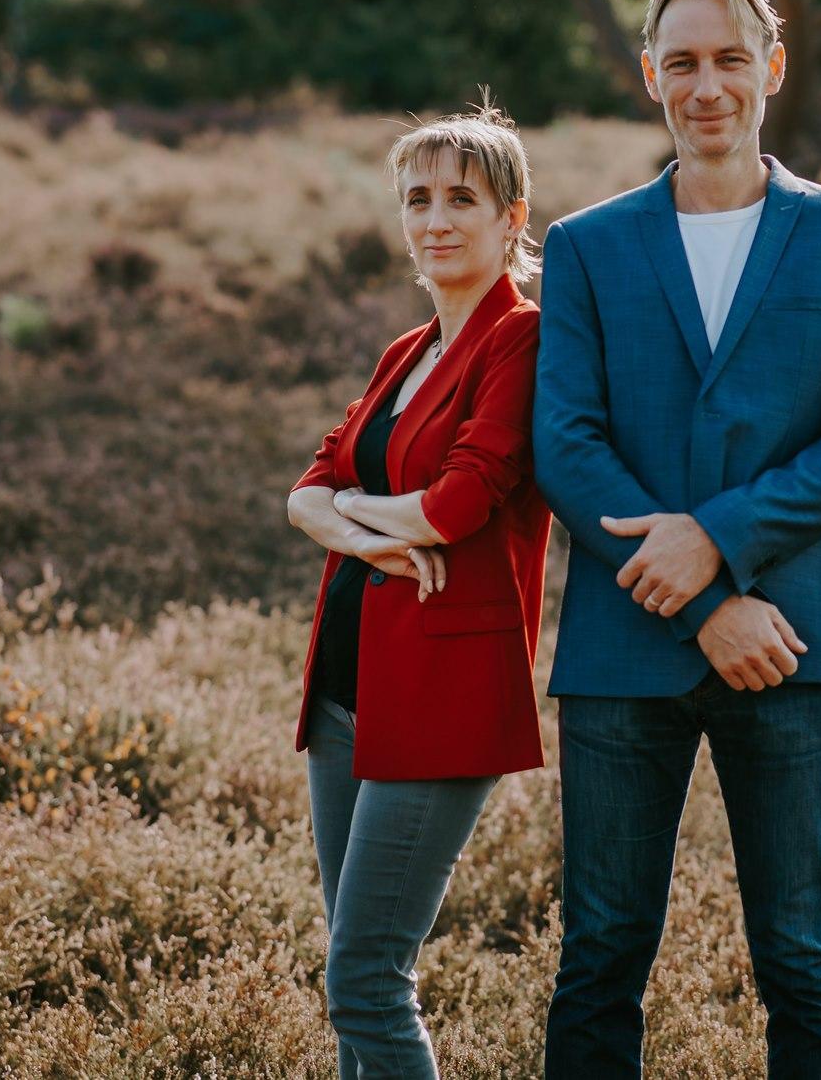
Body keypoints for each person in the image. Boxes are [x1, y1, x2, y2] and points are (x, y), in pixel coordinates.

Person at [534, 0, 821, 1079]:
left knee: (802, 959)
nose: (707, 85)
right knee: (598, 954)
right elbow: (564, 444)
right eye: (682, 61)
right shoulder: (585, 247)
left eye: (730, 59)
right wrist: (702, 598)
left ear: (772, 68)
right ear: (648, 73)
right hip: (620, 651)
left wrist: (718, 539)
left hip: (790, 645)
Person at [284, 103, 550, 1080]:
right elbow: (308, 487)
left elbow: (459, 503)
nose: (434, 219)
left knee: (364, 979)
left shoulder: (518, 340)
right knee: (355, 981)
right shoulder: (406, 350)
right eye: (416, 199)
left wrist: (350, 514)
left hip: (441, 695)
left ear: (511, 219)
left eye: (461, 200)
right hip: (347, 694)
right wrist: (352, 517)